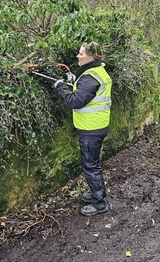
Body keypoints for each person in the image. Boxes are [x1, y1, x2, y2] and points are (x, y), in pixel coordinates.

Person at [53, 42, 112, 216]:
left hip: (91, 129)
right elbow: (85, 92)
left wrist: (60, 87)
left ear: (91, 56)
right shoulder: (97, 72)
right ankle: (96, 192)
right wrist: (73, 82)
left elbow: (74, 101)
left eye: (80, 54)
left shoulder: (91, 76)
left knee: (90, 166)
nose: (78, 56)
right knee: (93, 164)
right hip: (97, 126)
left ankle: (99, 203)